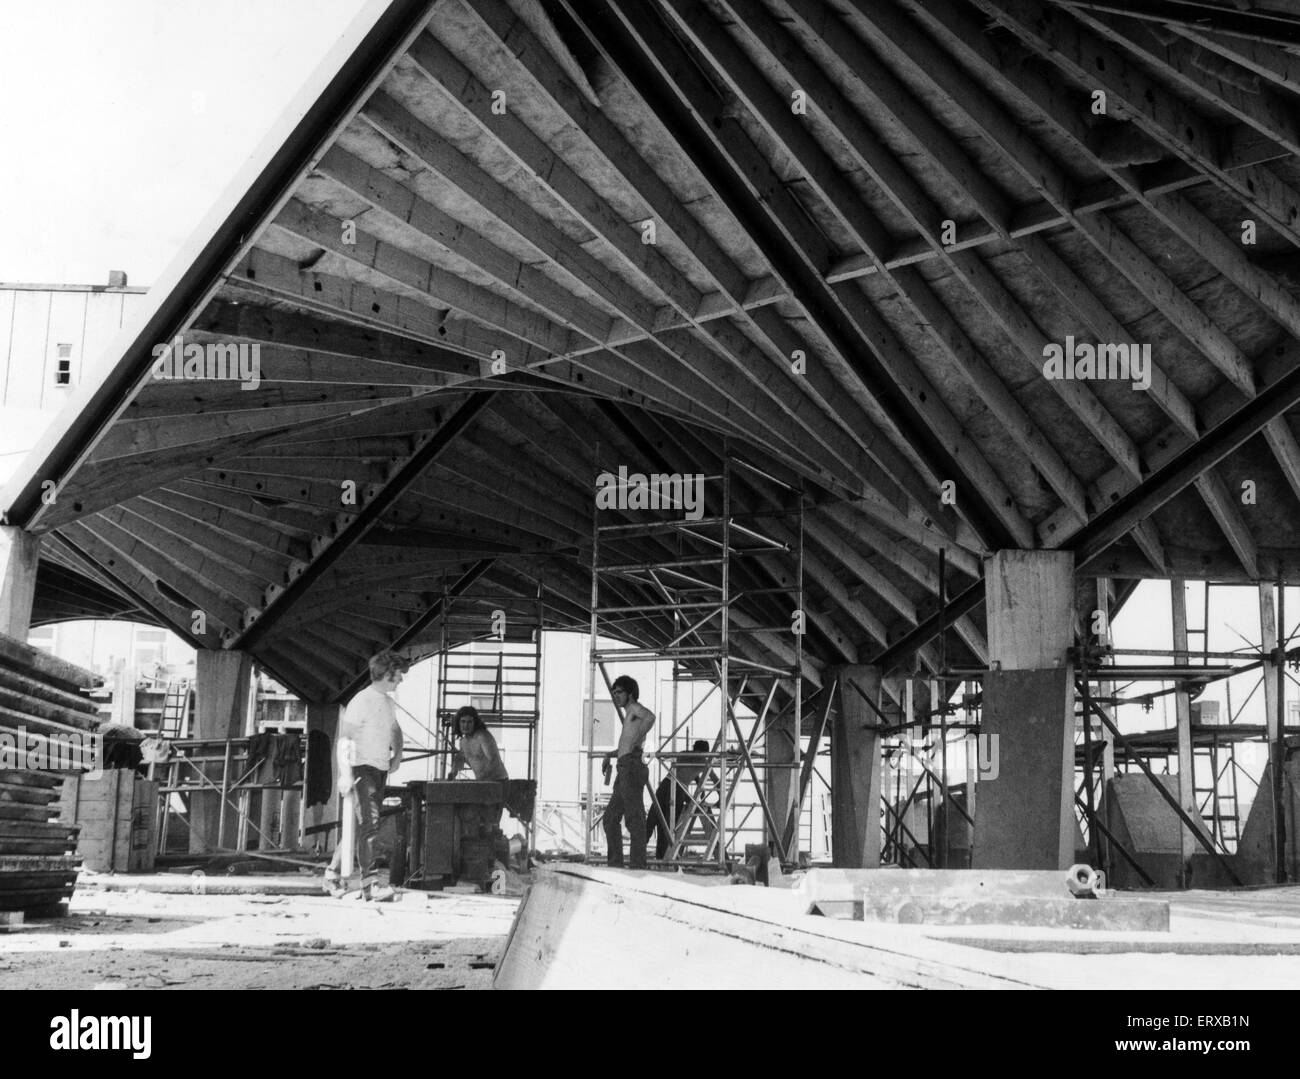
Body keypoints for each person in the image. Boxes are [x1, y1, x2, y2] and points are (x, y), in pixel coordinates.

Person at [323, 650, 408, 901]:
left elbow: (395, 729)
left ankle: (331, 875)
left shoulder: (388, 703)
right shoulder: (361, 701)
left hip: (379, 769)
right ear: (388, 673)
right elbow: (344, 740)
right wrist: (344, 774)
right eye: (399, 674)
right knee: (370, 826)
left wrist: (398, 754)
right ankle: (370, 885)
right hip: (361, 769)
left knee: (361, 826)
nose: (401, 679)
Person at [602, 675, 656, 869]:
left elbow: (650, 717)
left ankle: (637, 866)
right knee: (610, 819)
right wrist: (611, 754)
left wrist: (636, 738)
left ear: (630, 693)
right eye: (614, 693)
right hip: (625, 766)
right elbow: (626, 746)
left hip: (631, 767)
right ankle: (616, 864)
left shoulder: (634, 710)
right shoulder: (629, 715)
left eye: (619, 692)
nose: (616, 696)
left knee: (635, 819)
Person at [645, 739, 711, 860]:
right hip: (677, 788)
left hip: (667, 785)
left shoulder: (684, 754)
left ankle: (652, 855)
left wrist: (700, 792)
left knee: (655, 820)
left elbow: (695, 776)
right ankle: (661, 857)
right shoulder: (702, 761)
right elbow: (706, 776)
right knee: (666, 825)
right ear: (705, 752)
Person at [450, 705, 509, 782]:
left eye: (469, 722)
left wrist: (479, 780)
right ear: (458, 723)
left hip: (498, 781)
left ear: (475, 723)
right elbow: (460, 758)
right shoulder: (463, 742)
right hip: (482, 782)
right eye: (463, 721)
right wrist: (453, 772)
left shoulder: (482, 736)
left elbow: (494, 761)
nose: (466, 725)